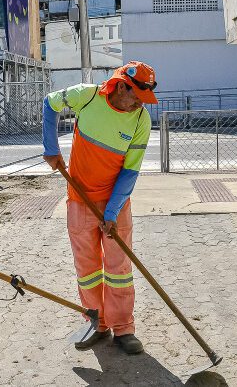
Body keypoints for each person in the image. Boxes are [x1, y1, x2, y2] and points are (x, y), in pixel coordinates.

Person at [41, 62, 157, 354]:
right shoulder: (88, 96)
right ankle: (97, 322)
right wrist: (51, 148)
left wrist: (111, 213)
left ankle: (123, 329)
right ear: (121, 87)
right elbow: (50, 104)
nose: (139, 106)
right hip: (79, 199)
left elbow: (130, 172)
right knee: (88, 269)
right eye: (136, 98)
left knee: (118, 268)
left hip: (116, 202)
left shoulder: (141, 120)